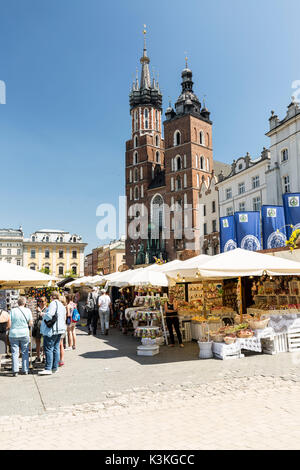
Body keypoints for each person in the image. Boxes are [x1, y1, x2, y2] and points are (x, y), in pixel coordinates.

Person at [38, 292, 66, 376]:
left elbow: (50, 315)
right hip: (59, 329)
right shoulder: (61, 305)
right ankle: (54, 367)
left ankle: (48, 368)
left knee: (49, 348)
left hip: (52, 330)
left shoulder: (53, 304)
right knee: (56, 348)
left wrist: (43, 314)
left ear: (52, 297)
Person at [9, 297, 33, 376]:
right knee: (25, 351)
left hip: (14, 333)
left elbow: (9, 323)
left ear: (18, 303)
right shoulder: (28, 310)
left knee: (15, 352)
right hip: (24, 333)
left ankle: (15, 370)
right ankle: (25, 369)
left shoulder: (12, 311)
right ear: (25, 303)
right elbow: (31, 323)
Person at [32, 297, 47, 364]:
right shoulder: (36, 309)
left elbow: (46, 317)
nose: (40, 303)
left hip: (44, 327)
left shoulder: (47, 309)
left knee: (44, 343)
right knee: (37, 342)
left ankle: (44, 357)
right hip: (37, 327)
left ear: (45, 302)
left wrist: (40, 311)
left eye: (42, 301)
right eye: (39, 301)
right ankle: (38, 357)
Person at [58, 295, 67, 366]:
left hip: (60, 327)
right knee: (61, 345)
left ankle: (59, 359)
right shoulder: (64, 308)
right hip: (63, 327)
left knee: (59, 344)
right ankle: (61, 359)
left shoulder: (60, 308)